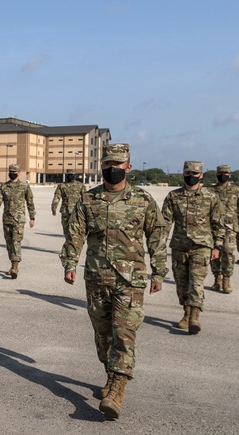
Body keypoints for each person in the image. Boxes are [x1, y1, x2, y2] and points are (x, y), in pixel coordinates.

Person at [60, 143, 167, 419]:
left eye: (118, 165)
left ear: (128, 167)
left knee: (124, 333)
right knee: (103, 337)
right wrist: (70, 263)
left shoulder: (142, 201)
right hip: (96, 277)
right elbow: (75, 233)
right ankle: (111, 375)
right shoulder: (88, 199)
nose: (112, 169)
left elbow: (157, 234)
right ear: (102, 166)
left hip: (130, 280)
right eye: (107, 165)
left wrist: (159, 271)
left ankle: (118, 387)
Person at [161, 162, 223, 334]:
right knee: (181, 284)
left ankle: (194, 316)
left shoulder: (210, 196)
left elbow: (218, 222)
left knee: (196, 282)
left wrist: (217, 246)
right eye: (188, 172)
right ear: (183, 173)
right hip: (179, 247)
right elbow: (165, 222)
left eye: (195, 173)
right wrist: (160, 243)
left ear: (201, 175)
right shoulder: (173, 196)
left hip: (201, 247)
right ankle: (186, 313)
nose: (191, 175)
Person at [0, 163, 36, 278]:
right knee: (9, 244)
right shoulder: (4, 187)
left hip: (19, 220)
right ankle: (12, 265)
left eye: (14, 172)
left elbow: (30, 202)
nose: (12, 174)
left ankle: (15, 267)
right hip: (7, 219)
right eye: (10, 172)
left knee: (16, 242)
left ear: (19, 173)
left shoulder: (24, 186)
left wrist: (32, 217)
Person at [206, 165, 239, 294]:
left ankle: (227, 279)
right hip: (213, 228)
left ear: (230, 175)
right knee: (214, 254)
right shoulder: (209, 191)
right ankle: (217, 279)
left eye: (226, 173)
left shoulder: (237, 191)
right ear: (217, 174)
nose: (223, 175)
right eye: (221, 173)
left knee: (228, 252)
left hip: (230, 228)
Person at [51, 173, 85, 238]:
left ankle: (70, 245)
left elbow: (56, 198)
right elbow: (85, 199)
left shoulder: (62, 186)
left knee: (70, 231)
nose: (70, 177)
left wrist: (54, 209)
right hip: (72, 211)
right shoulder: (80, 185)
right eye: (70, 175)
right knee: (72, 231)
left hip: (73, 211)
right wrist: (54, 208)